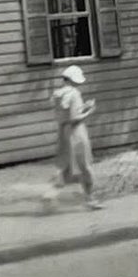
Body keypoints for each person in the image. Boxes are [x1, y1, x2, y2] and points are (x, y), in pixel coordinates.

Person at [45, 64, 100, 211]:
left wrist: (84, 107)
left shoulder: (58, 94)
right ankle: (90, 198)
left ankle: (50, 193)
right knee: (85, 165)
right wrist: (90, 111)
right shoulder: (74, 93)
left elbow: (67, 113)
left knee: (64, 165)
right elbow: (75, 117)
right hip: (77, 131)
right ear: (73, 80)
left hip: (63, 132)